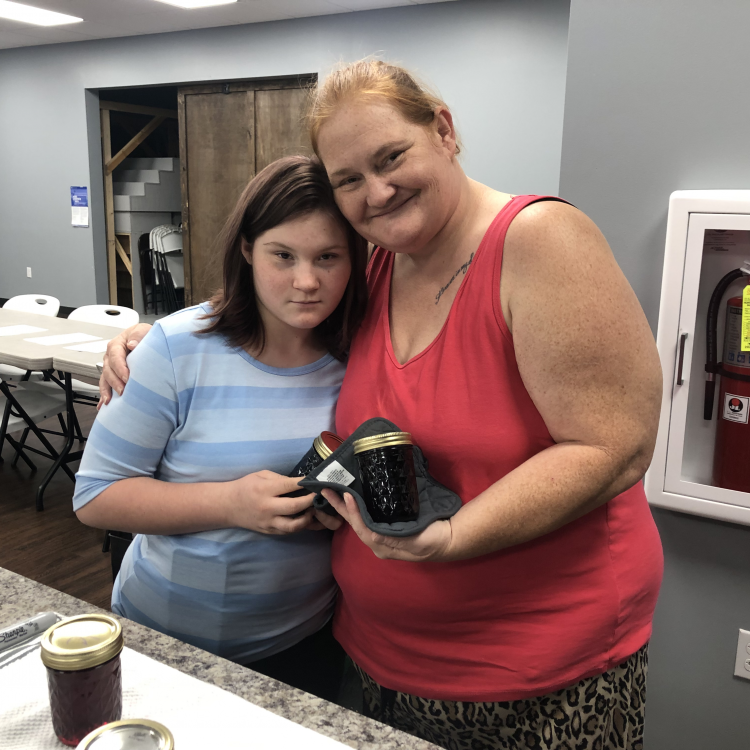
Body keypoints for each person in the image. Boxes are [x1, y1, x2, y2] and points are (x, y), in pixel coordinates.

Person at [100, 61, 663, 750]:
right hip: (369, 659)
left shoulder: (537, 242)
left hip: (531, 674)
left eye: (391, 157)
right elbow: (280, 305)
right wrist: (154, 338)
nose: (378, 190)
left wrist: (453, 539)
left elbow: (614, 447)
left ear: (445, 131)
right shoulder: (376, 268)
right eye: (349, 180)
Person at [75, 155, 367, 703]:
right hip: (161, 640)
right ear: (248, 249)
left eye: (329, 257)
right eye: (284, 255)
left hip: (304, 643)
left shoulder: (362, 355)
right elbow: (95, 496)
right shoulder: (174, 348)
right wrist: (230, 504)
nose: (307, 281)